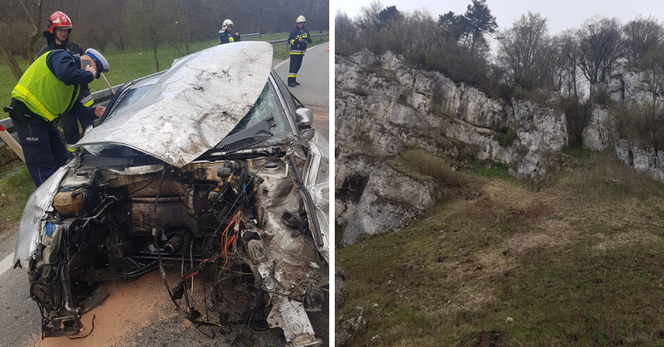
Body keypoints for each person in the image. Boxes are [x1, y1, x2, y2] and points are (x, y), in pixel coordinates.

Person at [7, 48, 109, 187]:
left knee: (61, 159)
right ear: (86, 62)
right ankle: (47, 204)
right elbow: (66, 73)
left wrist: (93, 112)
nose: (93, 75)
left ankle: (63, 195)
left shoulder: (73, 84)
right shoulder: (61, 56)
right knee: (43, 166)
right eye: (94, 69)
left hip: (45, 122)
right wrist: (88, 75)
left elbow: (73, 107)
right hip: (27, 116)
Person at [38, 11, 95, 150]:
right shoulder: (45, 52)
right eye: (60, 30)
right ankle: (75, 160)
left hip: (83, 97)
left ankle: (94, 156)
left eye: (66, 30)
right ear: (53, 30)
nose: (63, 33)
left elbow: (87, 68)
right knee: (71, 137)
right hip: (64, 102)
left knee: (91, 132)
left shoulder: (76, 47)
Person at [287, 15, 312, 87]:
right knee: (293, 67)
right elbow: (289, 41)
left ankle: (294, 80)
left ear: (304, 24)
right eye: (299, 23)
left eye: (302, 23)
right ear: (297, 24)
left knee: (298, 66)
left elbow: (310, 40)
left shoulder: (306, 32)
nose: (300, 24)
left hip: (301, 52)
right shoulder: (293, 32)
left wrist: (307, 38)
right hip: (294, 52)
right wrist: (297, 41)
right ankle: (290, 81)